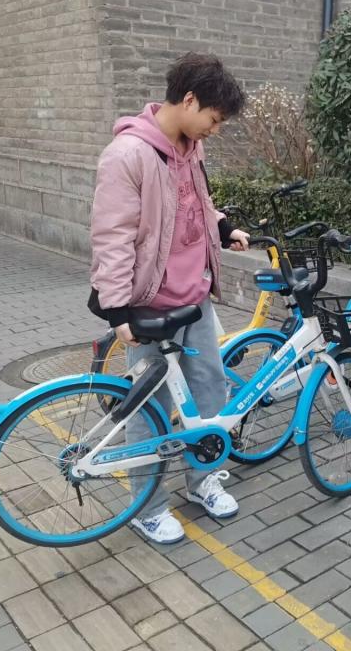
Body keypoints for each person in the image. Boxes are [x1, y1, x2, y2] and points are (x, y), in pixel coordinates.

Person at [88, 52, 250, 544]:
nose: (214, 130)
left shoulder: (191, 147)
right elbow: (112, 236)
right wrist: (118, 309)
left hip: (194, 298)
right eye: (214, 119)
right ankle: (148, 507)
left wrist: (222, 227)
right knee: (149, 410)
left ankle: (202, 482)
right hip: (150, 306)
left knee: (210, 392)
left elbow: (194, 204)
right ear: (189, 100)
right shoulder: (128, 155)